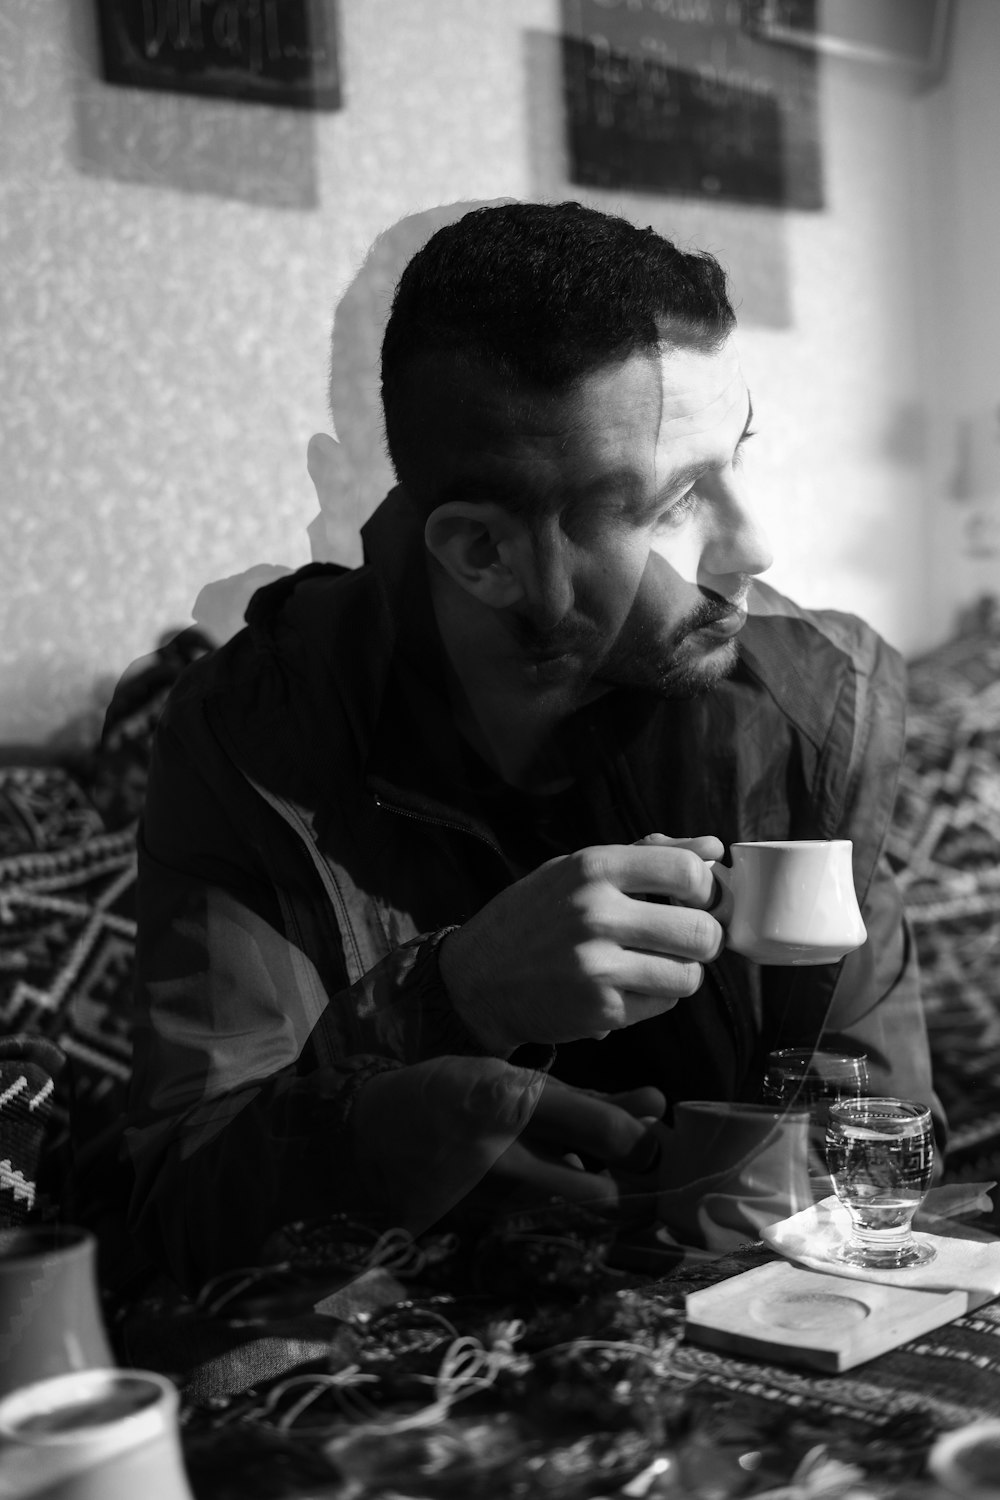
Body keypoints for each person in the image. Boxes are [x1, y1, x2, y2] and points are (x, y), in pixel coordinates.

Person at [126, 201, 938, 1291]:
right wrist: (456, 1001)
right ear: (481, 554)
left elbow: (881, 1158)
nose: (758, 546)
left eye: (736, 457)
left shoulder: (801, 708)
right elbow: (179, 1214)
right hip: (403, 1373)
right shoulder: (262, 735)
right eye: (675, 502)